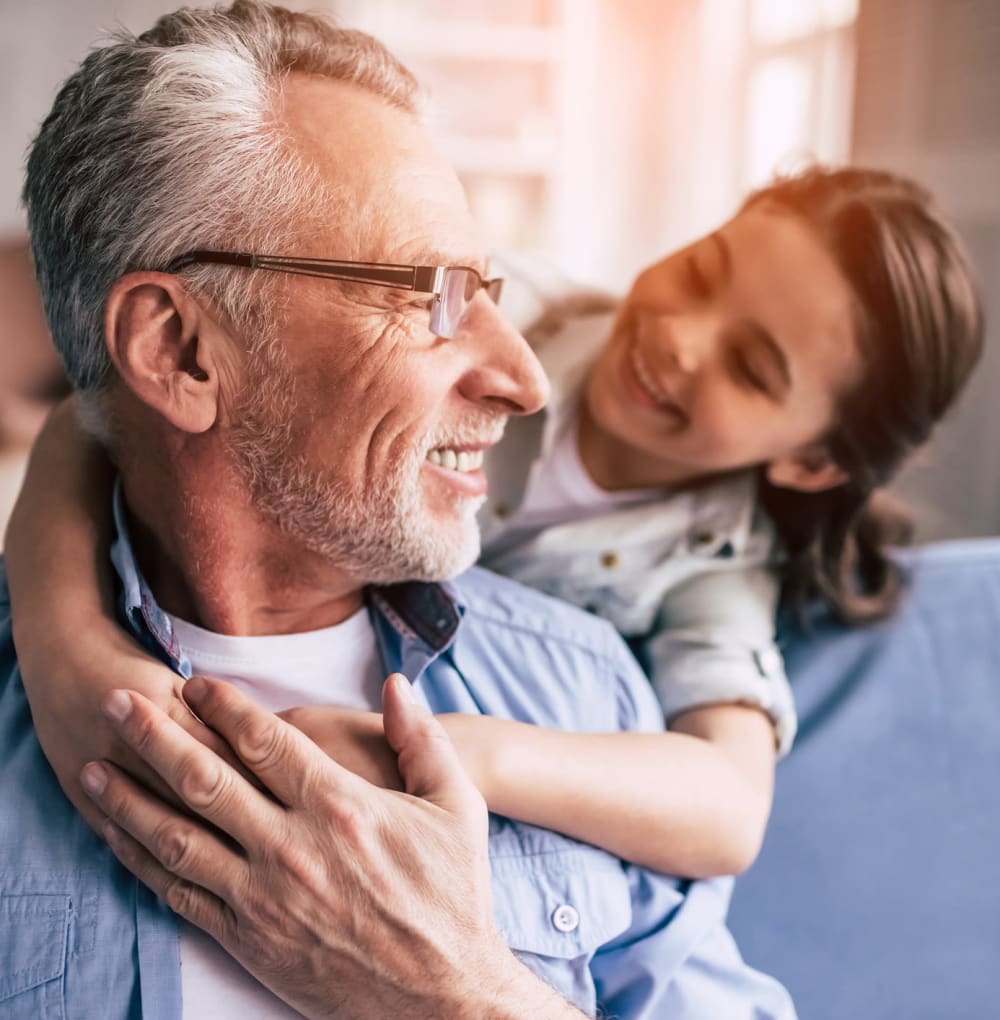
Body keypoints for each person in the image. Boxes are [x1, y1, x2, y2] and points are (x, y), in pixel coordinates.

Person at [0, 2, 798, 1018]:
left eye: (490, 289)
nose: (523, 380)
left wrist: (455, 992)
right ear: (181, 353)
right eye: (432, 293)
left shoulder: (585, 691)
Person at [8, 162, 984, 881]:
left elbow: (727, 809)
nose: (681, 339)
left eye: (751, 368)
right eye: (701, 271)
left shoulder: (712, 569)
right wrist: (68, 657)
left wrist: (459, 752)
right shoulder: (500, 302)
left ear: (809, 461)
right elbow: (96, 416)